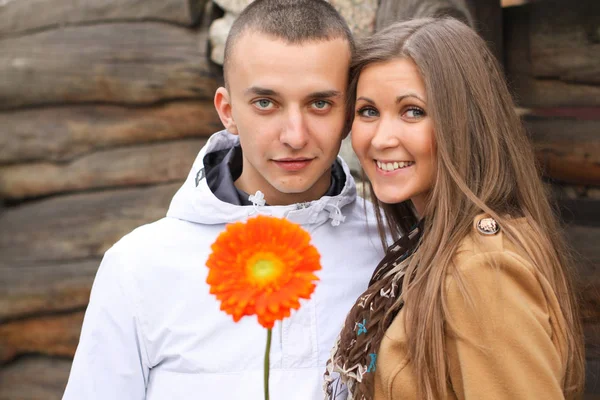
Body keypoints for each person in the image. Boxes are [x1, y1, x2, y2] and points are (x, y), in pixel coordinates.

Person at [62, 1, 384, 399]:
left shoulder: (390, 249)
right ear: (227, 111)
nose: (295, 135)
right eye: (266, 103)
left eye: (320, 103)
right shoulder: (138, 268)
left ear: (349, 113)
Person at [325, 17, 585, 400]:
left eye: (412, 111)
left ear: (464, 121)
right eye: (368, 111)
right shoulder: (428, 244)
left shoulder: (482, 269)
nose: (381, 138)